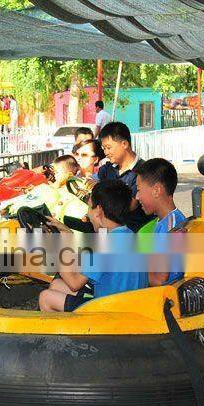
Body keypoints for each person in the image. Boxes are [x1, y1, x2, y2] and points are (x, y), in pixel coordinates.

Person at [39, 180, 148, 312]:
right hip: (130, 306)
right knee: (57, 284)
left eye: (89, 207)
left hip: (110, 311)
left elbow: (74, 283)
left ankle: (67, 332)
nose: (88, 215)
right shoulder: (128, 234)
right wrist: (68, 235)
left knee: (46, 297)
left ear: (98, 211)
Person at [135, 158, 187, 286]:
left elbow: (159, 280)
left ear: (157, 190)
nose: (137, 196)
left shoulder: (172, 226)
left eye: (139, 189)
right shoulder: (163, 221)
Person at [96, 122, 154, 232]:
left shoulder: (143, 172)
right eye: (103, 148)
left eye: (109, 147)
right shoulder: (106, 170)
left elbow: (128, 206)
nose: (106, 152)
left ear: (124, 144)